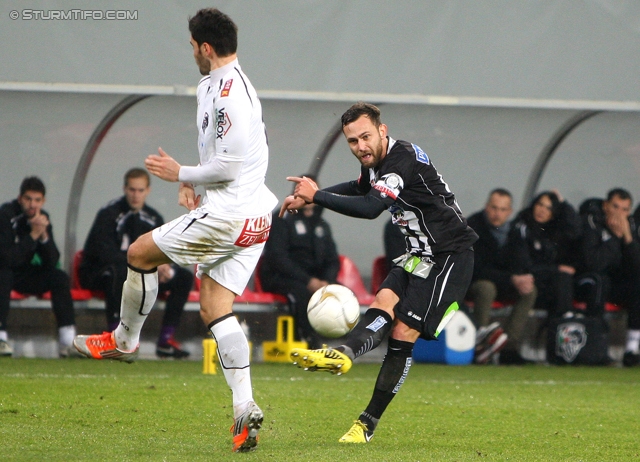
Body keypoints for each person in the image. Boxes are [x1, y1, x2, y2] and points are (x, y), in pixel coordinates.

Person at [73, 8, 277, 452]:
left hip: (231, 216)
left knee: (139, 254)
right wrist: (192, 181)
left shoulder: (232, 96)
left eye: (192, 47)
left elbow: (230, 163)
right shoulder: (216, 85)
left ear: (205, 47)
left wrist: (177, 171)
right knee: (214, 305)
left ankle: (124, 340)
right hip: (253, 217)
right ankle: (245, 410)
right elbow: (230, 155)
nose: (192, 54)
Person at [281, 102, 478, 443]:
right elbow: (361, 189)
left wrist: (318, 196)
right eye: (353, 141)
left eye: (366, 137)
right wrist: (313, 198)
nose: (361, 147)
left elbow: (372, 207)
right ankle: (342, 354)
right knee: (383, 301)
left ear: (382, 131)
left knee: (402, 332)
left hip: (450, 256)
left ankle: (366, 425)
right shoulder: (376, 163)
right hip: (418, 254)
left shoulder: (402, 159)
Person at [79, 168, 194, 359]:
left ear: (147, 191)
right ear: (125, 189)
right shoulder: (109, 213)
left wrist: (163, 264)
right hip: (99, 273)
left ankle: (166, 340)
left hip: (141, 273)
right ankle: (115, 338)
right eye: (132, 190)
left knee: (183, 277)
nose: (136, 195)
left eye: (140, 190)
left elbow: (162, 248)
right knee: (119, 271)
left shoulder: (153, 217)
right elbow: (102, 253)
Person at [0, 176, 78, 357]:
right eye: (28, 199)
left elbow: (52, 260)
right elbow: (6, 258)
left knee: (58, 277)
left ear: (43, 201)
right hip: (5, 270)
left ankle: (68, 340)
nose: (32, 205)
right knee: (3, 275)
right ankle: (1, 336)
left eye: (37, 200)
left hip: (24, 274)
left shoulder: (42, 218)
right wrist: (33, 236)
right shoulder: (6, 215)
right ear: (20, 199)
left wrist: (43, 236)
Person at [259, 175, 341, 348]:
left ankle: (344, 341)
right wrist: (308, 280)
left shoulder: (321, 224)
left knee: (342, 292)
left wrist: (327, 281)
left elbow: (333, 259)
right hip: (282, 277)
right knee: (301, 292)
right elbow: (277, 257)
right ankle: (309, 340)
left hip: (317, 279)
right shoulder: (282, 218)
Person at [465, 188, 537, 365]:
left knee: (529, 290)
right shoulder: (472, 227)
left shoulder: (514, 231)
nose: (498, 214)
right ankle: (480, 345)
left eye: (503, 209)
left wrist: (522, 279)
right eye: (494, 208)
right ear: (486, 207)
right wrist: (511, 278)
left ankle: (509, 348)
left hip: (502, 282)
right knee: (486, 288)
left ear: (510, 212)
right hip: (471, 283)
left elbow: (522, 261)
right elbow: (476, 268)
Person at [575, 188, 640, 367]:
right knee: (599, 281)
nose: (620, 214)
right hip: (587, 281)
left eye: (625, 209)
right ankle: (597, 346)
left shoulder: (630, 226)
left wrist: (627, 237)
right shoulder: (592, 222)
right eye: (615, 207)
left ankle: (631, 348)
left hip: (616, 285)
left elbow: (636, 266)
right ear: (605, 206)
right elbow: (593, 264)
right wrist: (613, 238)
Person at [510, 190, 581, 320]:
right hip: (524, 282)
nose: (542, 210)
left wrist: (564, 203)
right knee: (562, 278)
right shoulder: (521, 227)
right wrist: (556, 269)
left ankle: (564, 320)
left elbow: (576, 230)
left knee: (564, 280)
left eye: (548, 208)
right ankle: (564, 320)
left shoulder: (551, 230)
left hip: (545, 281)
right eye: (540, 205)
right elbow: (524, 265)